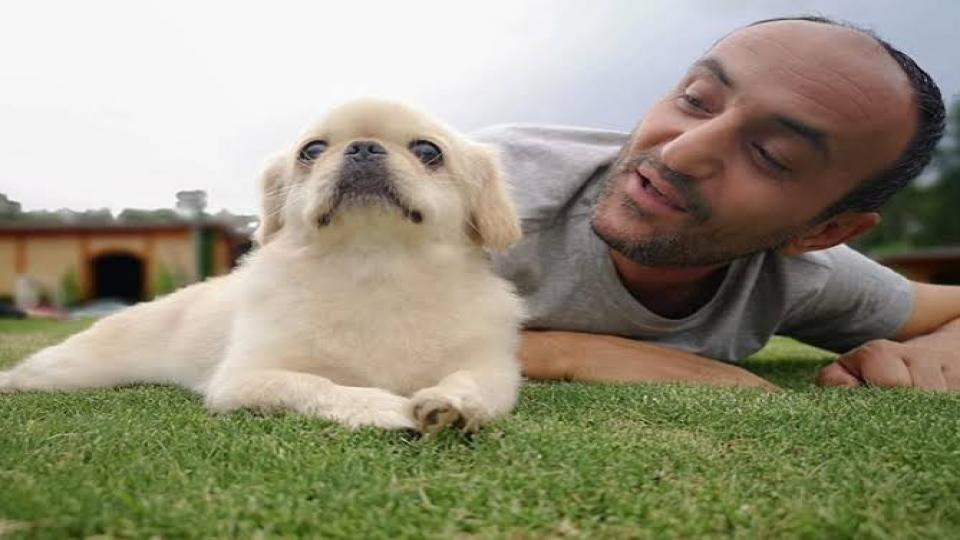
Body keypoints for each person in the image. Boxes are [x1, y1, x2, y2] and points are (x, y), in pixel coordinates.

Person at [474, 16, 960, 391]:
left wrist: (941, 352)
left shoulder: (799, 276)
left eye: (771, 155)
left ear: (823, 232)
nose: (678, 154)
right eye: (695, 100)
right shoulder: (481, 189)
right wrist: (575, 354)